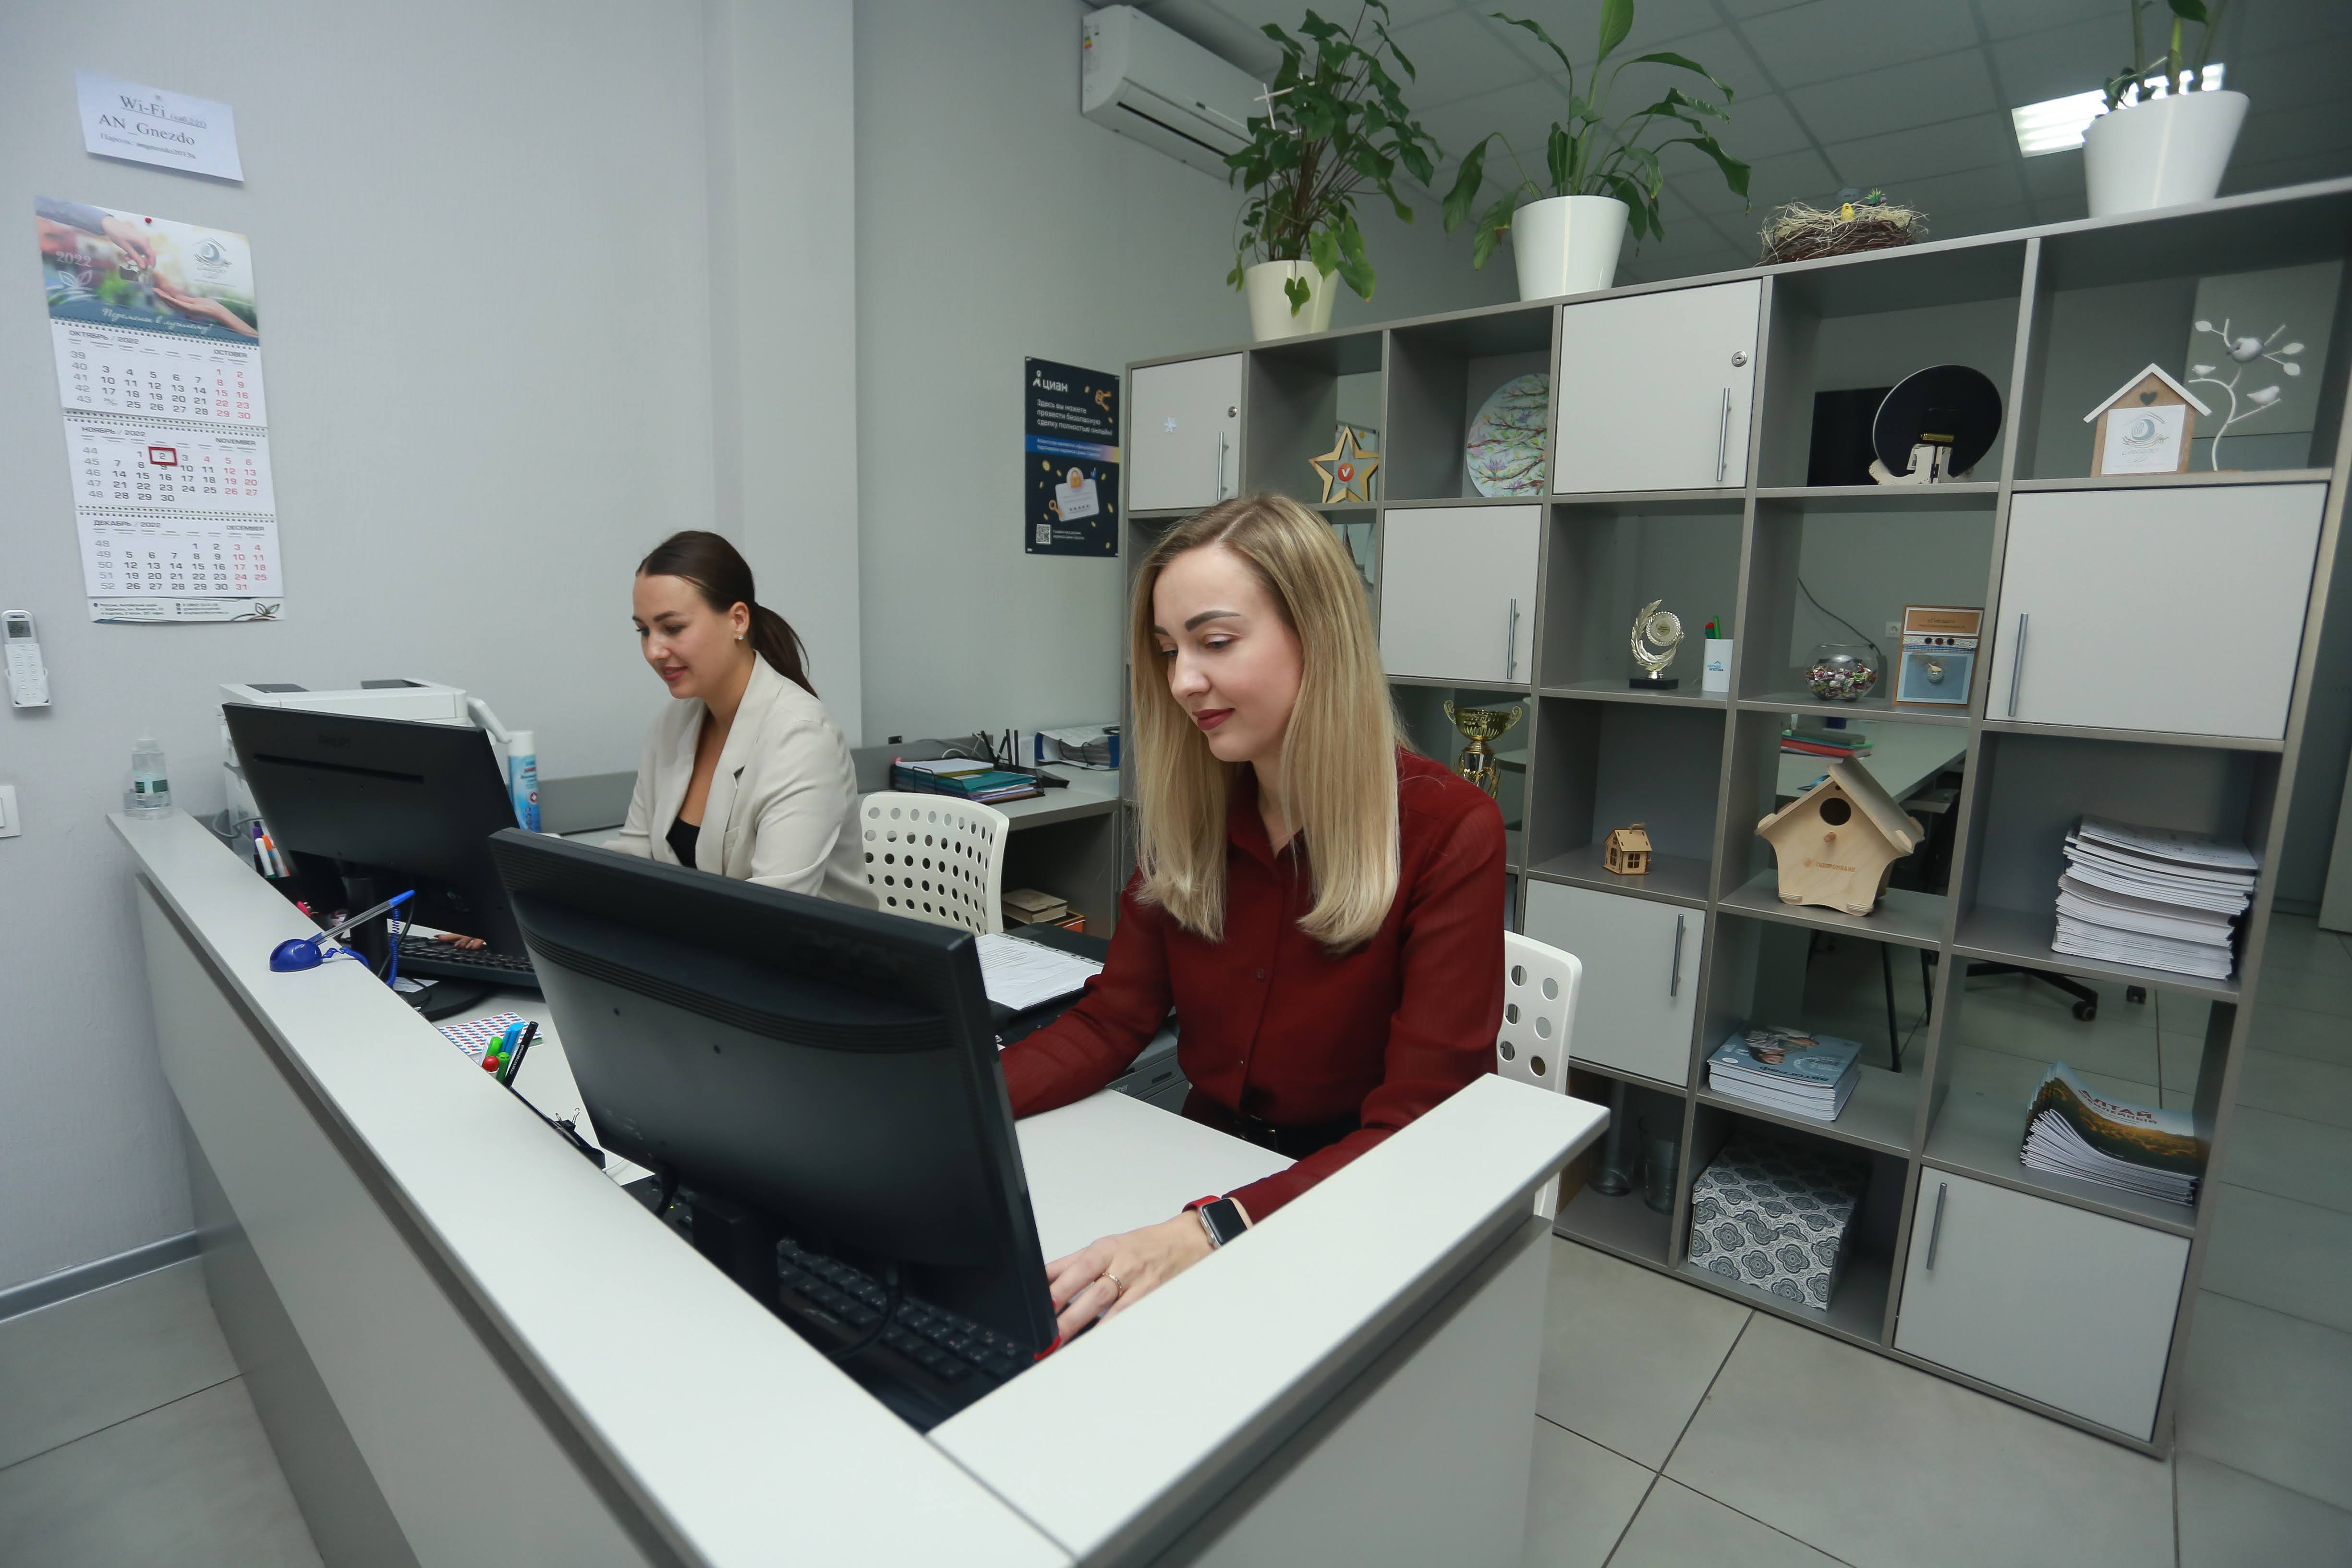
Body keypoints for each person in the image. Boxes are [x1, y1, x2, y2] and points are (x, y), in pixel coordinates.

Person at [999, 493, 1505, 1341]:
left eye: (1215, 642)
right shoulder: (1194, 814)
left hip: (1360, 1193)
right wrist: (960, 1103)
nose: (1181, 681)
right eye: (1169, 649)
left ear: (1319, 637)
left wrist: (1210, 1230)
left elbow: (1420, 1125)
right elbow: (1111, 1020)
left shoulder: (1448, 831)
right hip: (1208, 1163)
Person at [604, 531, 875, 907]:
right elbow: (633, 859)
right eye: (644, 630)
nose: (653, 650)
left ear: (738, 620)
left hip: (797, 944)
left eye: (673, 628)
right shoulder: (672, 724)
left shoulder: (802, 738)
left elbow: (773, 913)